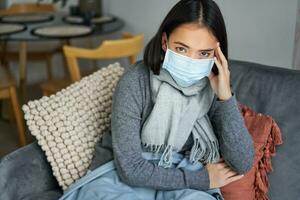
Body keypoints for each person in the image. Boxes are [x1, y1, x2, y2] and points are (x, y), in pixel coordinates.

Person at [59, 0, 254, 199]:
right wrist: (203, 180)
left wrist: (225, 97)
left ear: (217, 54)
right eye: (181, 49)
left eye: (204, 53)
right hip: (120, 179)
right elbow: (131, 169)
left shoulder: (213, 88)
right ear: (164, 41)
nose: (191, 61)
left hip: (184, 176)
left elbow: (242, 163)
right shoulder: (135, 81)